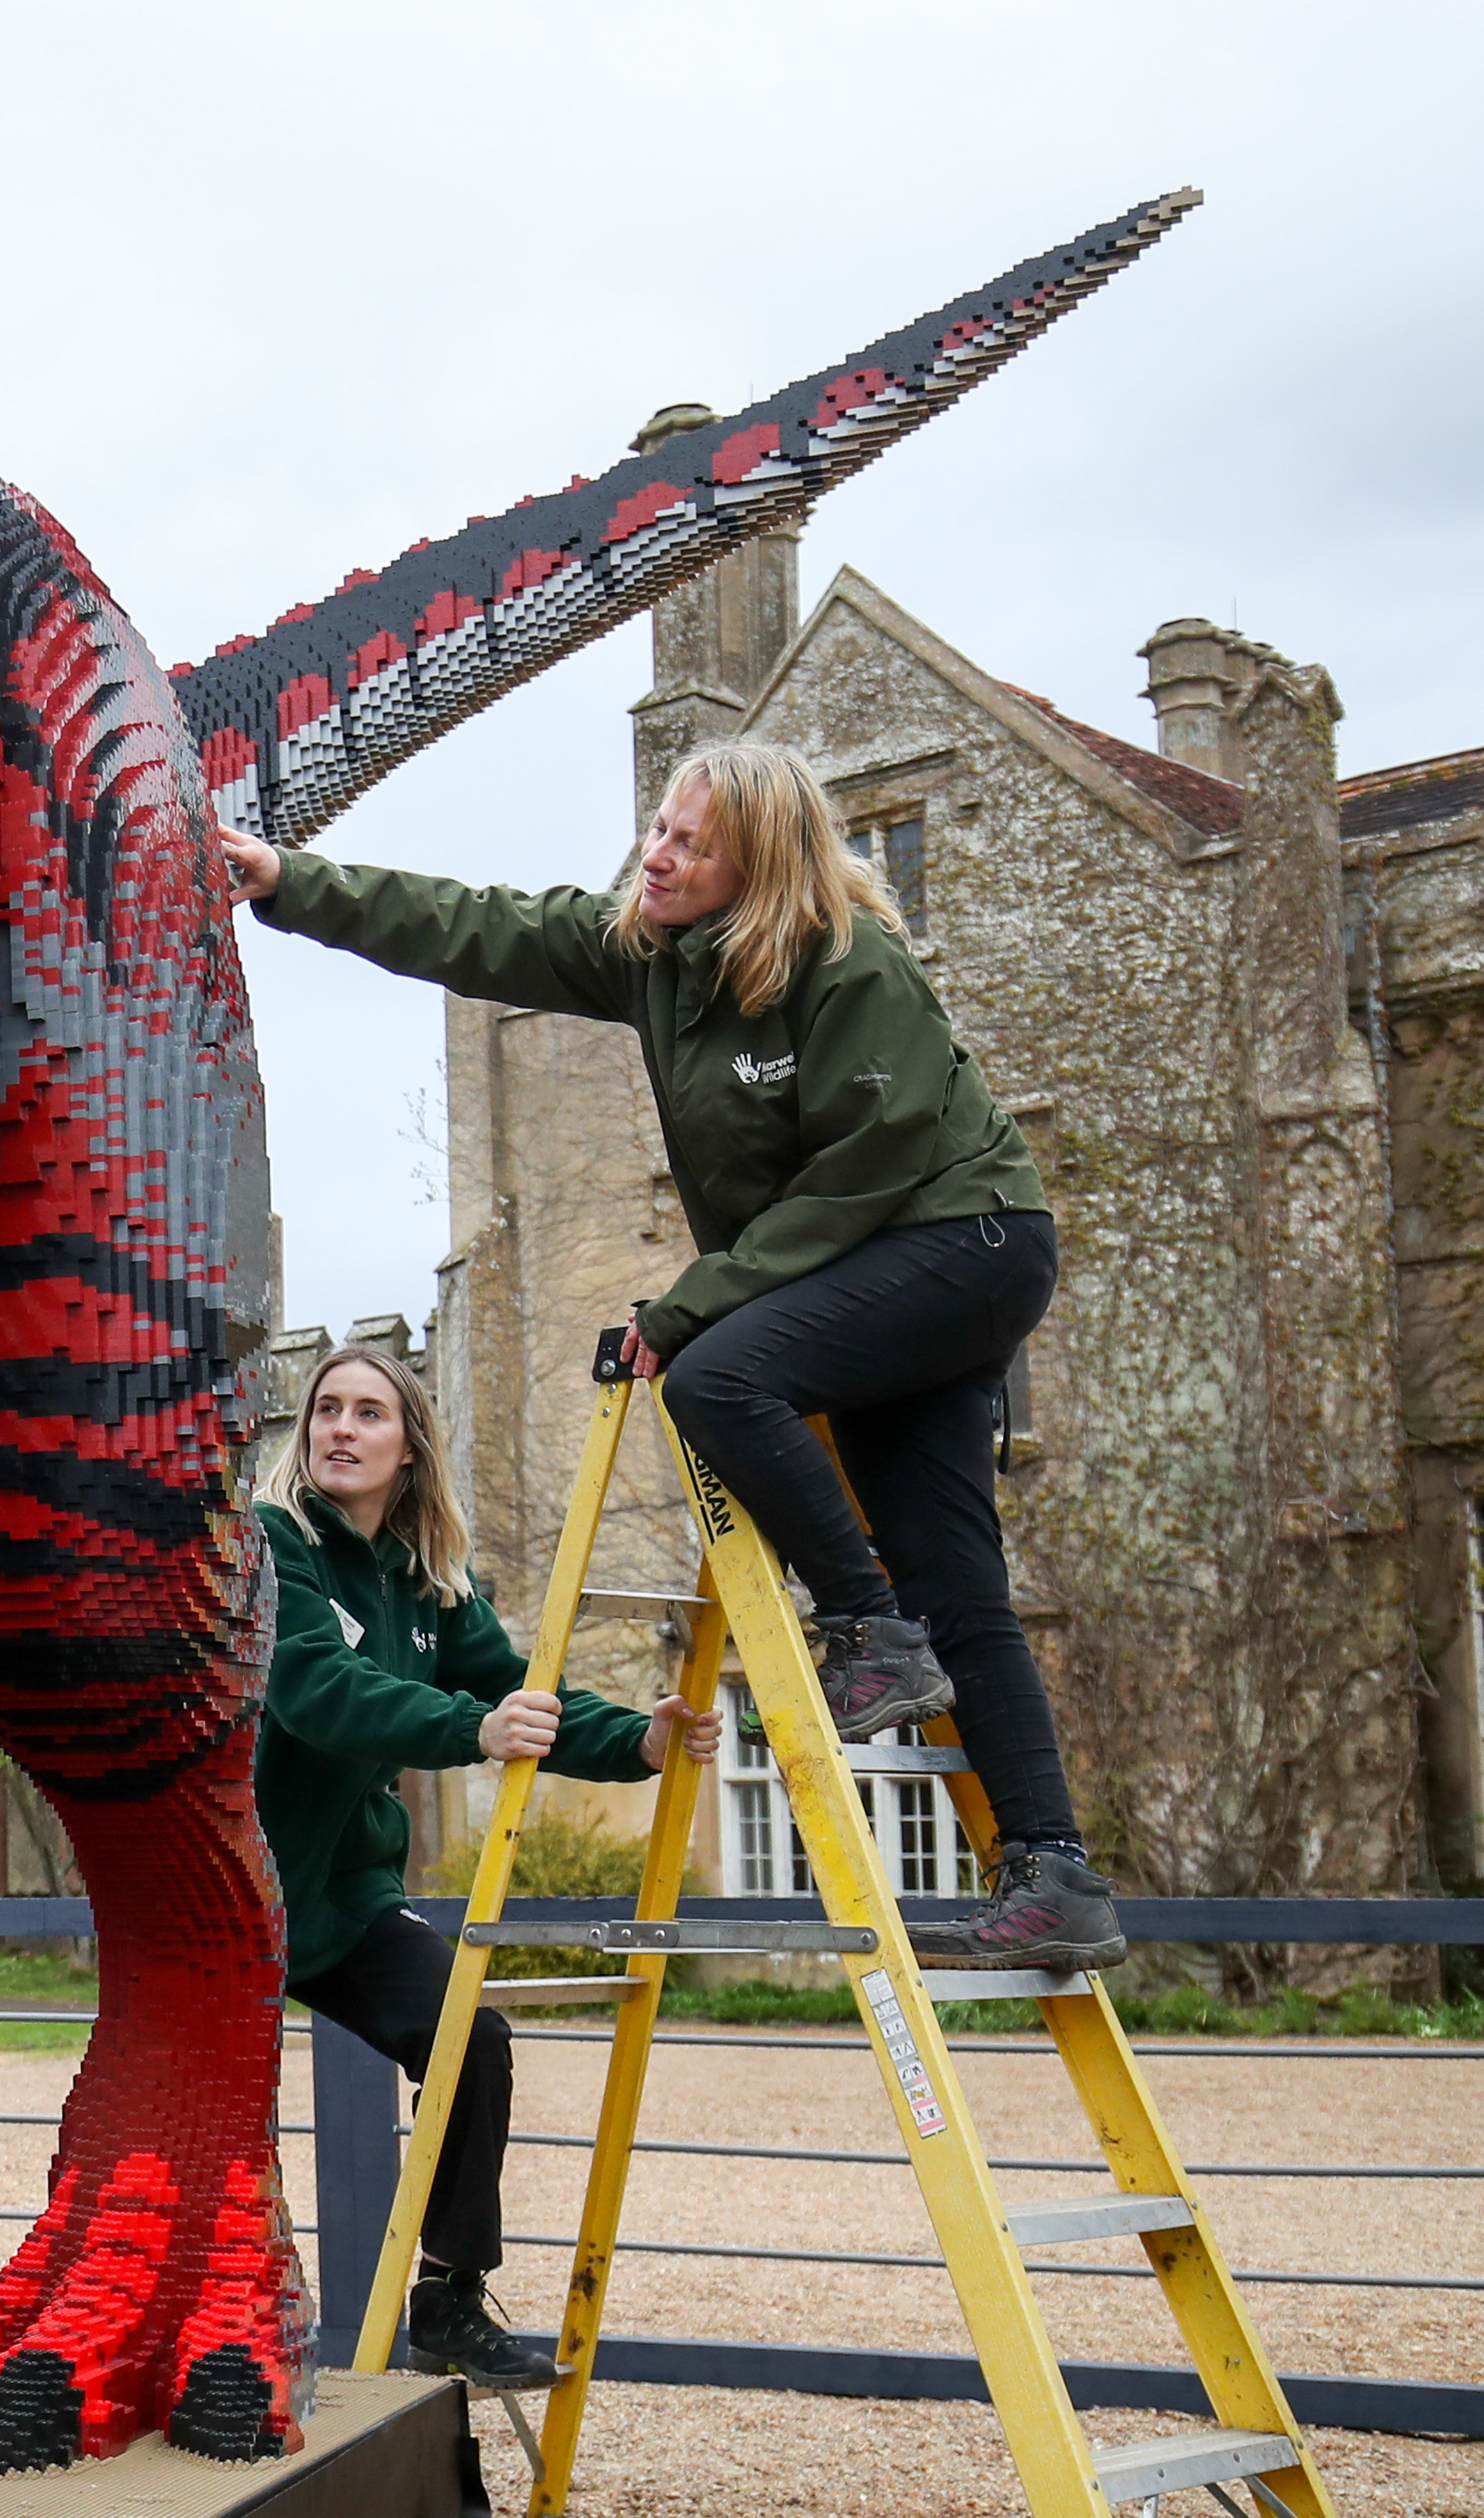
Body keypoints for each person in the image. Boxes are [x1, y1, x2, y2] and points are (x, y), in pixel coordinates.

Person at [215, 738, 1125, 1972]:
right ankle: (1055, 1874)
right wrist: (284, 880)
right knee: (956, 1572)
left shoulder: (850, 966)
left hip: (965, 1241)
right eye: (659, 826)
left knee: (716, 1374)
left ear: (759, 868)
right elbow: (476, 928)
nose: (657, 854)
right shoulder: (649, 955)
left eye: (692, 845)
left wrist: (698, 1296)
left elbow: (867, 1170)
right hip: (864, 1275)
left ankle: (867, 1630)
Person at [256, 1342, 716, 2391]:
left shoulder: (427, 1588)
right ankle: (223, 2328)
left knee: (471, 2035)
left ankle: (447, 2300)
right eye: (325, 1409)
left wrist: (633, 1743)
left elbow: (520, 1689)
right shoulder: (272, 1543)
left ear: (408, 1445)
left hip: (344, 1893)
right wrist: (474, 1729)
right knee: (224, 2125)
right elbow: (312, 1691)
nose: (338, 1428)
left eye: (367, 1412)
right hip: (236, 1889)